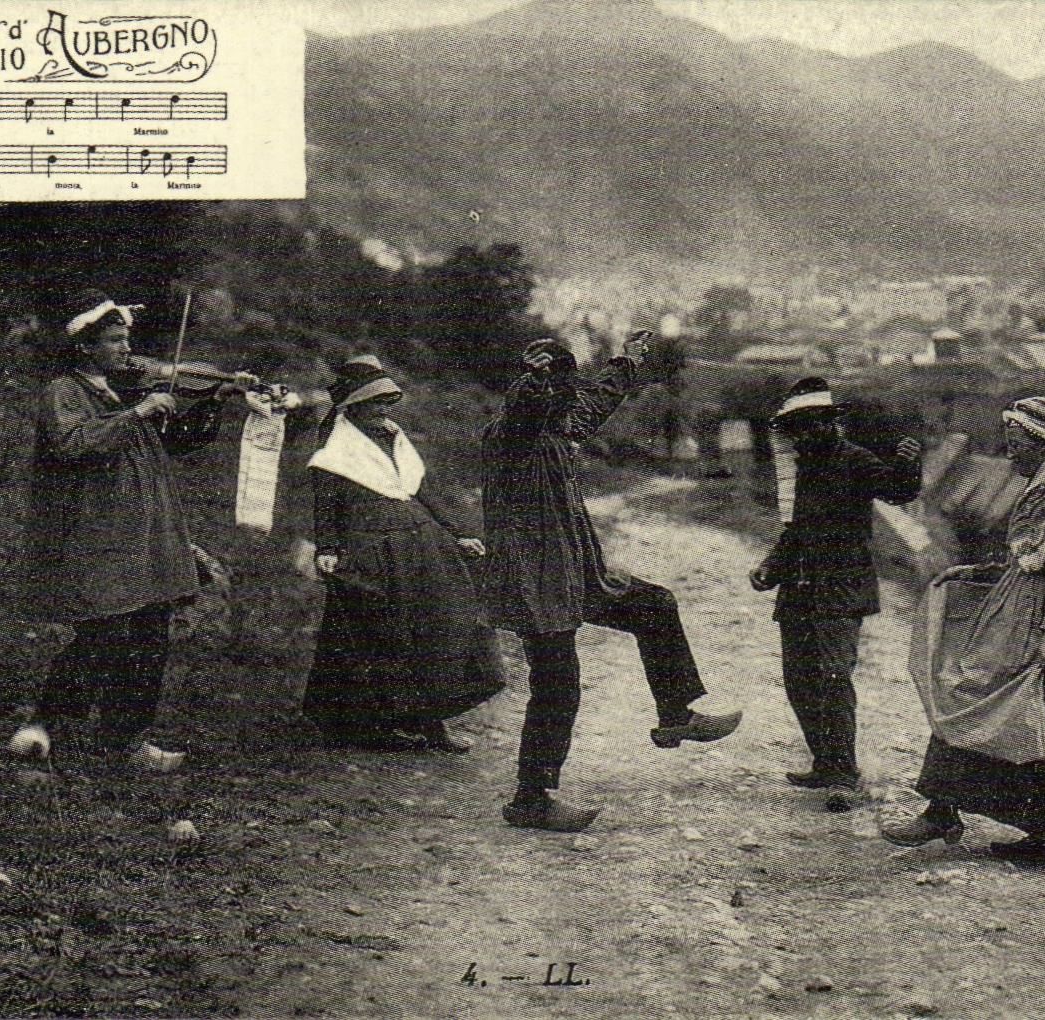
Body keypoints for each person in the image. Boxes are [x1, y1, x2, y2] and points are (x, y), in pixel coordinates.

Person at [482, 333, 743, 832]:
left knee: (656, 606)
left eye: (566, 388)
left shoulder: (558, 428)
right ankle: (530, 798)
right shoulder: (511, 436)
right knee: (557, 689)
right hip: (536, 587)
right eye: (559, 389)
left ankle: (676, 712)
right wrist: (534, 382)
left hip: (575, 575)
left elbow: (593, 401)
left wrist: (626, 362)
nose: (568, 400)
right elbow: (526, 408)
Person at [13, 288, 252, 773]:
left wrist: (216, 401)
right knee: (103, 632)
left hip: (145, 533)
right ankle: (45, 724)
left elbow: (179, 443)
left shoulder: (126, 393)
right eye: (115, 341)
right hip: (99, 534)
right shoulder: (65, 392)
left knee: (149, 634)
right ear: (85, 346)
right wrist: (139, 412)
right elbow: (73, 443)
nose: (126, 350)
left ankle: (127, 742)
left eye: (127, 340)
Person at [882, 397, 1045, 867]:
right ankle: (947, 810)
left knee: (1002, 706)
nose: (1009, 454)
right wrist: (977, 572)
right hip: (1023, 615)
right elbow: (1030, 561)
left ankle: (1017, 829)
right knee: (992, 705)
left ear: (1040, 443)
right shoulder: (1043, 484)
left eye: (1016, 445)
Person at [304, 355, 504, 752]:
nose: (383, 410)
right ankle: (377, 726)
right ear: (353, 409)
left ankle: (433, 723)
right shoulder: (333, 454)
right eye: (374, 403)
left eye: (386, 402)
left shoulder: (395, 438)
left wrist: (458, 533)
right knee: (381, 638)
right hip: (372, 550)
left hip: (420, 545)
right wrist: (327, 548)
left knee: (440, 626)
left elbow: (422, 491)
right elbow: (326, 507)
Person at [749, 378, 922, 812]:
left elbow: (899, 491)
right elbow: (796, 531)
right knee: (798, 680)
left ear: (830, 423)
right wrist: (771, 567)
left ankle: (844, 774)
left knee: (833, 677)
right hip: (800, 590)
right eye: (797, 428)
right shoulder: (801, 469)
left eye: (812, 425)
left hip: (842, 588)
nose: (805, 435)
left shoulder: (855, 461)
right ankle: (825, 762)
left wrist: (909, 465)